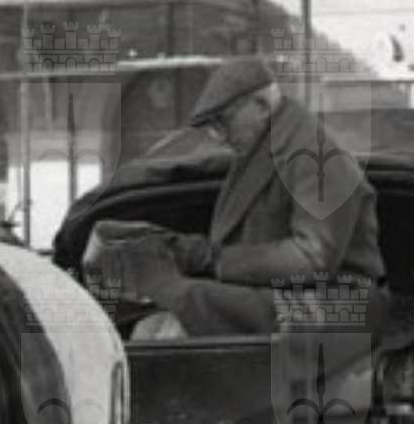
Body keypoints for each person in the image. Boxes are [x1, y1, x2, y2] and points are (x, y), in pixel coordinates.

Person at [89, 54, 385, 338]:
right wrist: (187, 251)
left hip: (340, 307)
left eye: (223, 122)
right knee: (157, 315)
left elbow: (313, 258)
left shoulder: (317, 157)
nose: (219, 137)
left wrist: (213, 259)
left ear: (261, 105)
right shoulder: (267, 149)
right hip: (297, 298)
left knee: (186, 300)